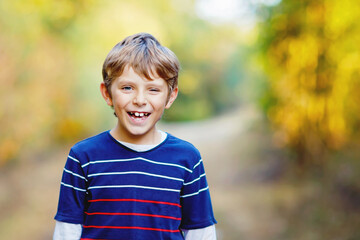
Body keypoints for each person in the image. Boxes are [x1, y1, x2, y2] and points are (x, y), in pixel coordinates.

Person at [53, 32, 217, 240]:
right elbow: (67, 231)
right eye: (127, 88)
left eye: (153, 90)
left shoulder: (187, 159)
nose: (140, 100)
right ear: (107, 93)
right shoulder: (83, 157)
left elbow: (200, 233)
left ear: (171, 96)